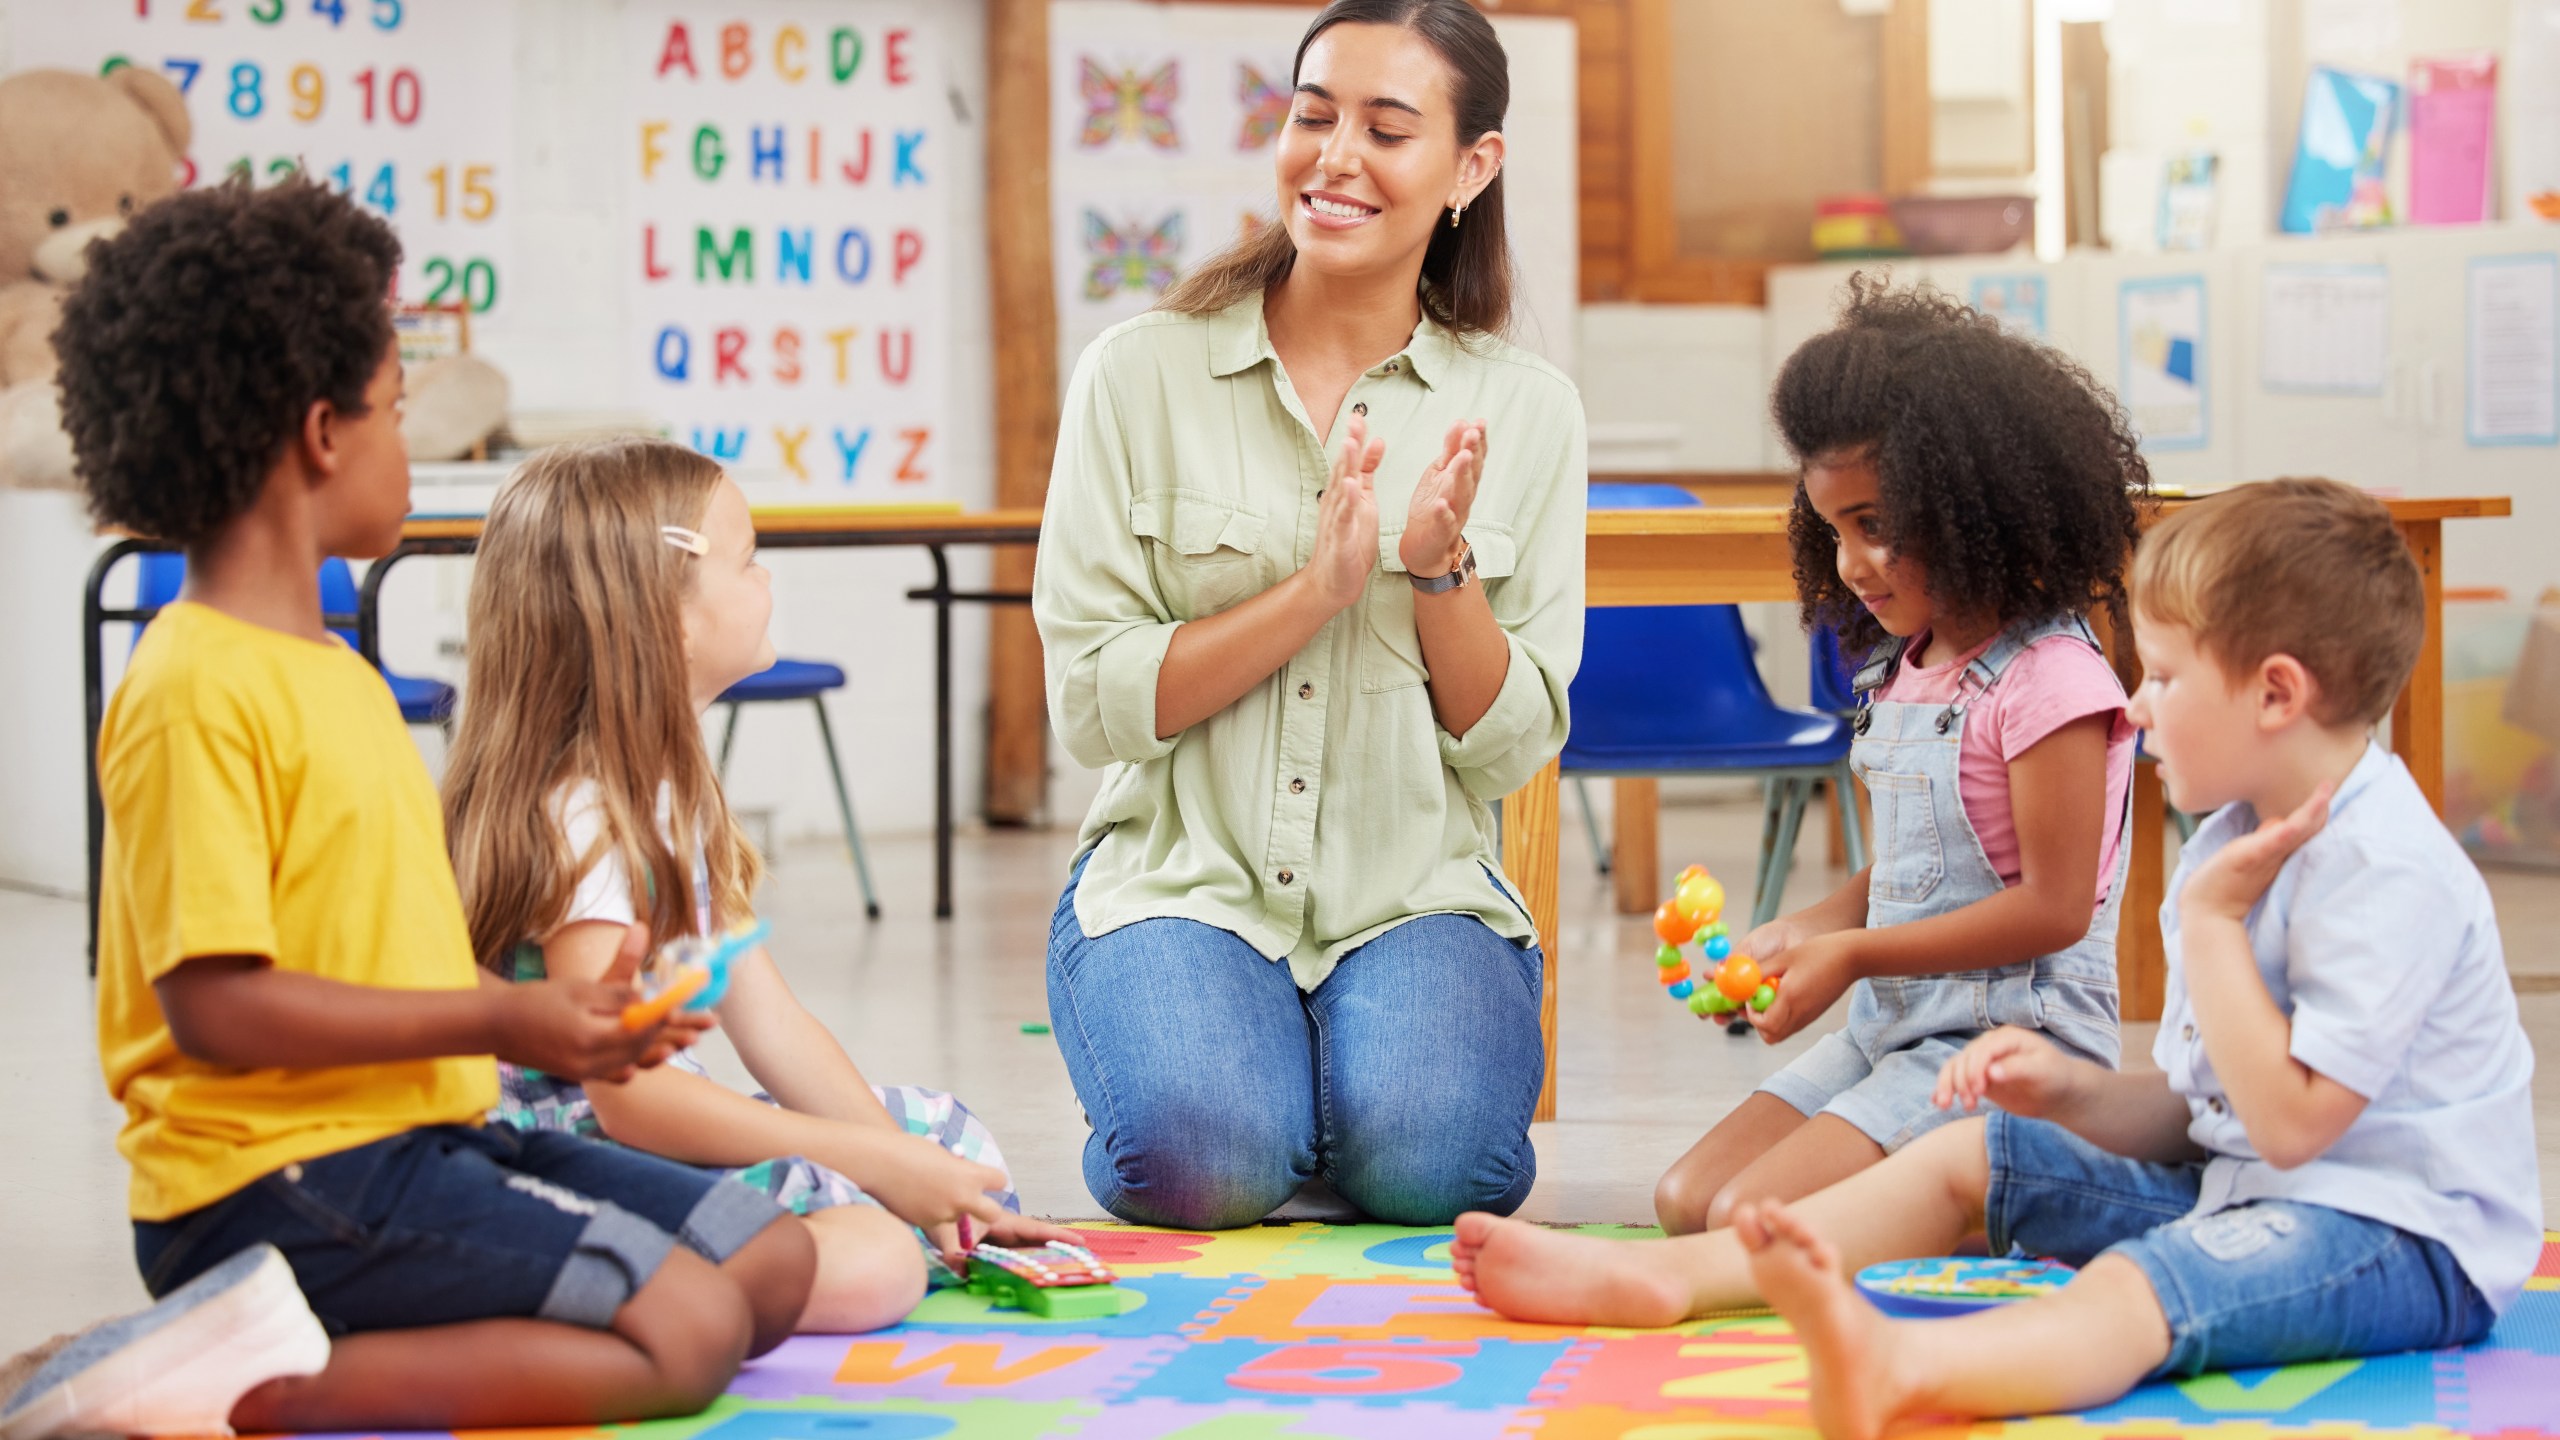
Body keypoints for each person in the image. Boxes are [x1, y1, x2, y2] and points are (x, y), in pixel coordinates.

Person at [1452, 479, 2541, 1440]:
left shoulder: (2379, 868)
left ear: (2274, 693)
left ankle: (1913, 1369)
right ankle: (1663, 1281)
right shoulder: (2232, 839)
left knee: (2135, 1286)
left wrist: (2204, 930)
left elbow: (2297, 1125)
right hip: (2242, 1186)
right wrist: (2073, 1091)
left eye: (2160, 676)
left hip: (2397, 1237)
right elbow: (2214, 1113)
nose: (2136, 704)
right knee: (1971, 1152)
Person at [5, 177, 814, 1438]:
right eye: (395, 412)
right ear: (323, 434)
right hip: (276, 1182)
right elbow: (215, 1009)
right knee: (692, 1332)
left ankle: (306, 1335)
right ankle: (197, 1373)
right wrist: (511, 1015)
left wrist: (582, 1019)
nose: (411, 448)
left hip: (421, 1135)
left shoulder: (335, 671)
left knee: (769, 1262)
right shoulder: (192, 684)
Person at [1032, 0, 1586, 1228]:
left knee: (1441, 1174)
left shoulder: (1529, 409)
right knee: (1201, 1165)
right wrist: (1316, 594)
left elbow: (1508, 746)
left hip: (1413, 894)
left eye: (1387, 130)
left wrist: (1439, 577)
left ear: (1470, 167)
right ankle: (1240, 1084)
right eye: (1311, 115)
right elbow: (1097, 703)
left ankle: (1325, 1089)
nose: (1333, 158)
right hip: (1182, 880)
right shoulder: (1139, 372)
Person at [442, 439, 1071, 1335]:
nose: (768, 579)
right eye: (747, 561)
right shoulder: (587, 822)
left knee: (944, 1140)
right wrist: (865, 1165)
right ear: (671, 617)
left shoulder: (667, 791)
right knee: (876, 1263)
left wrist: (893, 1160)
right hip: (572, 1157)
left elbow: (769, 1020)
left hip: (657, 1128)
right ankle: (602, 1296)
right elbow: (626, 1100)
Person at [1653, 278, 2150, 1233]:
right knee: (1688, 1204)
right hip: (1895, 1029)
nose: (1851, 563)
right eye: (1833, 528)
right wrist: (1809, 928)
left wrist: (1854, 954)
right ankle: (1931, 1196)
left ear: (1975, 504)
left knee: (1746, 1220)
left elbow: (2050, 907)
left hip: (2010, 1042)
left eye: (1877, 524)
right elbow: (1934, 868)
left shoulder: (2051, 681)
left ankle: (2023, 1179)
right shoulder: (1907, 667)